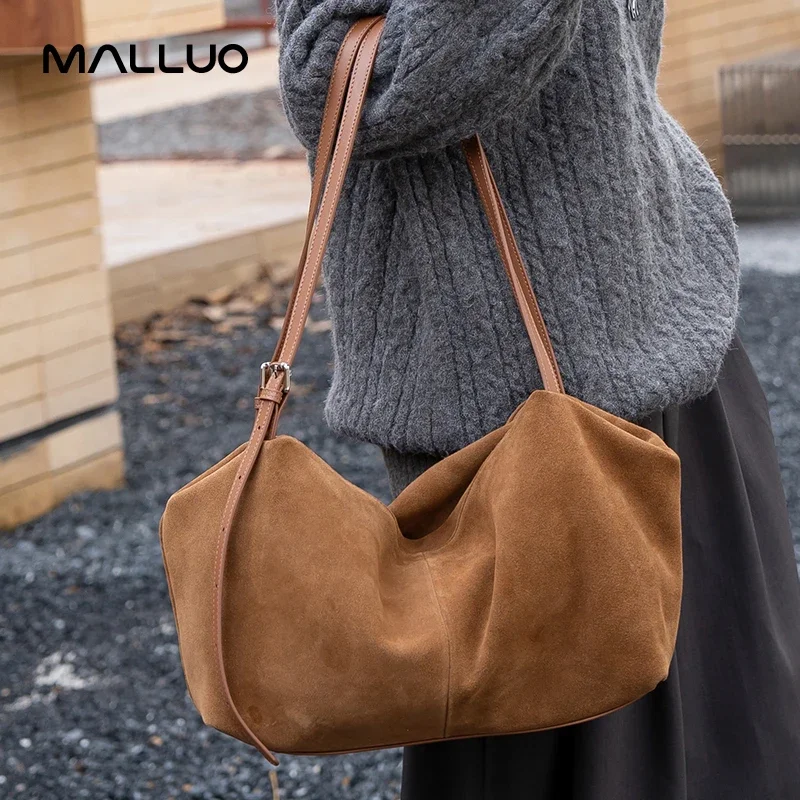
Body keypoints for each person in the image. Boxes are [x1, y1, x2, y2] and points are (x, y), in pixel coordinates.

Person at [274, 1, 800, 797]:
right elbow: (338, 79)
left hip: (669, 315)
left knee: (733, 727)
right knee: (552, 742)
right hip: (500, 398)